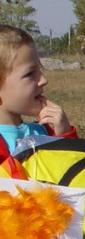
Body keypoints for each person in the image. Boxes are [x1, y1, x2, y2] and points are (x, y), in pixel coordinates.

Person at [0, 24, 77, 176]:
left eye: (40, 70)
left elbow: (71, 177)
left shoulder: (44, 133)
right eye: (30, 74)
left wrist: (64, 135)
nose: (43, 80)